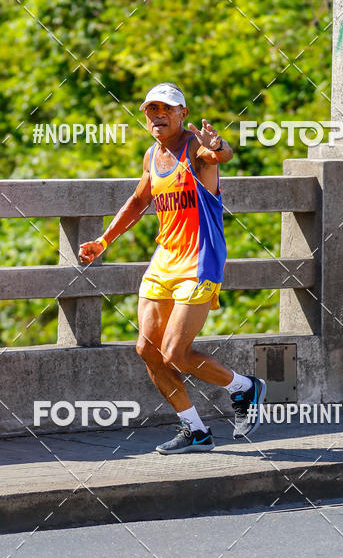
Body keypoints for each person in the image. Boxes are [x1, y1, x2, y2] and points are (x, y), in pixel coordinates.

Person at [78, 82, 266, 453]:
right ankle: (195, 429)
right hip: (164, 259)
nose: (159, 115)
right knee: (147, 349)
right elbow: (137, 201)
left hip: (199, 261)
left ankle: (244, 387)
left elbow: (221, 156)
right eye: (152, 109)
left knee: (175, 354)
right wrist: (104, 240)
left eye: (167, 108)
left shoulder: (195, 147)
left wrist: (219, 145)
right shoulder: (152, 156)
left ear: (183, 113)